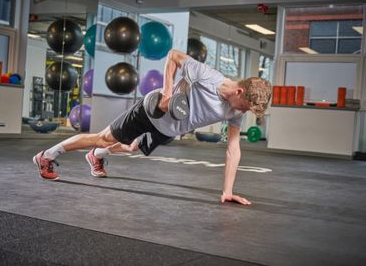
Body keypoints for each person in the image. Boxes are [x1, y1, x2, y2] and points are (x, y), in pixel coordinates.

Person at [33, 49, 271, 206]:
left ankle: (96, 156)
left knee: (132, 147)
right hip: (151, 111)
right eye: (246, 106)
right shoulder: (209, 77)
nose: (244, 111)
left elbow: (233, 148)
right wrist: (167, 93)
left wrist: (227, 191)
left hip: (169, 128)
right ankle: (46, 156)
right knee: (103, 138)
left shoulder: (236, 109)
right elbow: (174, 56)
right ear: (239, 91)